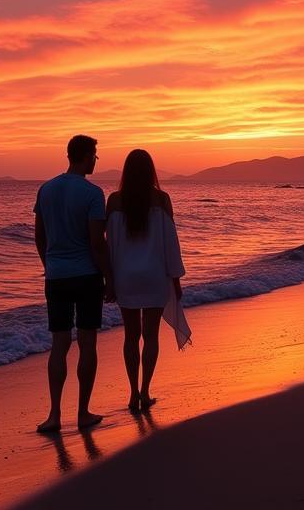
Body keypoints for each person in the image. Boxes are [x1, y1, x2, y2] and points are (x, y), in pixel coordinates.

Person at [33, 134, 113, 432]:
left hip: (56, 277)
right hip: (86, 276)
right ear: (85, 155)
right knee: (87, 342)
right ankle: (82, 412)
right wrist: (110, 277)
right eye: (95, 155)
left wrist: (48, 264)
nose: (96, 160)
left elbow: (40, 236)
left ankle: (54, 415)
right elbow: (97, 242)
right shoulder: (93, 193)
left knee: (60, 344)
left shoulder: (47, 189)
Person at [106, 148, 188, 414]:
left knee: (131, 336)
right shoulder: (162, 199)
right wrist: (175, 279)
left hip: (126, 277)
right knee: (151, 336)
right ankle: (144, 391)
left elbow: (111, 245)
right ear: (151, 170)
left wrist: (110, 279)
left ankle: (131, 394)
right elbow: (170, 244)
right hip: (154, 276)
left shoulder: (115, 201)